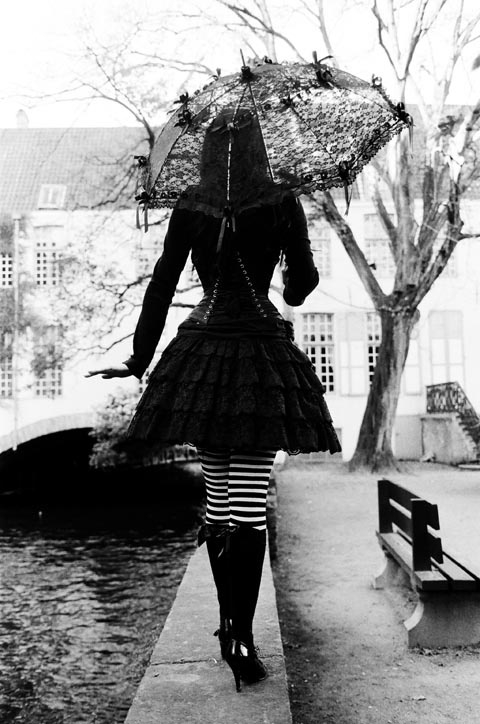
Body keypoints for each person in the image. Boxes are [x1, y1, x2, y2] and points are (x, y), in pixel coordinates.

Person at [87, 108, 341, 693]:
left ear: (206, 151)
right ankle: (242, 638)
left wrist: (138, 359)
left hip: (199, 358)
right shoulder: (280, 200)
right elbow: (299, 291)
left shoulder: (191, 205)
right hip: (257, 356)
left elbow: (162, 283)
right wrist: (293, 255)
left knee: (219, 500)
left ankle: (229, 629)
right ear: (258, 149)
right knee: (248, 506)